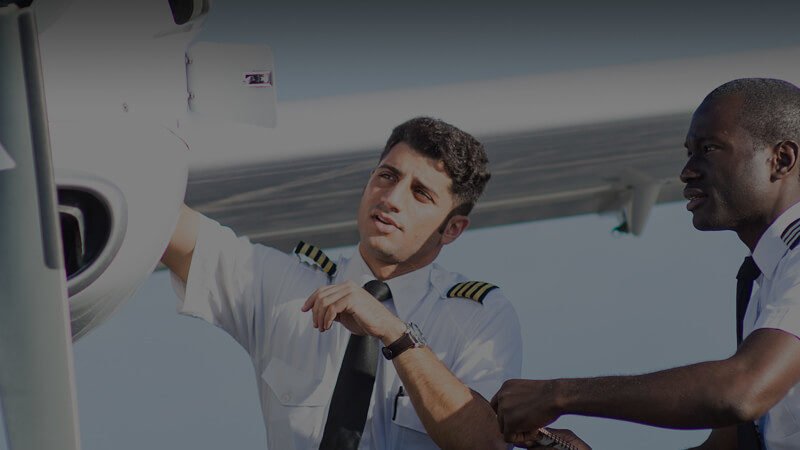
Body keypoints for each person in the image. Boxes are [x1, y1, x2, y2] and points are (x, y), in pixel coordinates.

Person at [161, 117, 524, 450]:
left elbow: (486, 443)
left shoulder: (478, 317)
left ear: (453, 229)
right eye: (387, 176)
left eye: (420, 193)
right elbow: (158, 218)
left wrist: (394, 333)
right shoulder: (286, 286)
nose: (391, 199)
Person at [491, 78, 800, 449]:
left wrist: (559, 395)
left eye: (709, 149)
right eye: (689, 153)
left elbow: (740, 392)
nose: (687, 171)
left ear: (781, 159)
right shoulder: (765, 275)